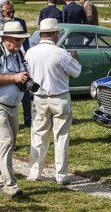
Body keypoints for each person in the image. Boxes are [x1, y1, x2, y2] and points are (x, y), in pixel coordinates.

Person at [26, 18, 81, 184]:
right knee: (61, 137)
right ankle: (61, 175)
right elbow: (76, 72)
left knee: (38, 136)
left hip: (39, 98)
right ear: (54, 34)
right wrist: (75, 59)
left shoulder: (30, 52)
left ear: (42, 34)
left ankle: (35, 172)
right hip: (60, 97)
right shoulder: (61, 53)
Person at [0, 21, 30, 197]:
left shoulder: (18, 54)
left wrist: (25, 79)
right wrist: (14, 78)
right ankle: (11, 185)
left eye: (22, 40)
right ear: (6, 38)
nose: (20, 43)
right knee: (6, 142)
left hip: (13, 106)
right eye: (17, 39)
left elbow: (21, 75)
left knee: (7, 145)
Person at [0, 2, 31, 127]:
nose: (12, 15)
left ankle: (28, 119)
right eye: (9, 12)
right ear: (2, 13)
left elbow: (26, 42)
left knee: (25, 87)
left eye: (13, 11)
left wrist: (26, 54)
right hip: (4, 59)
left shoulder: (20, 22)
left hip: (20, 57)